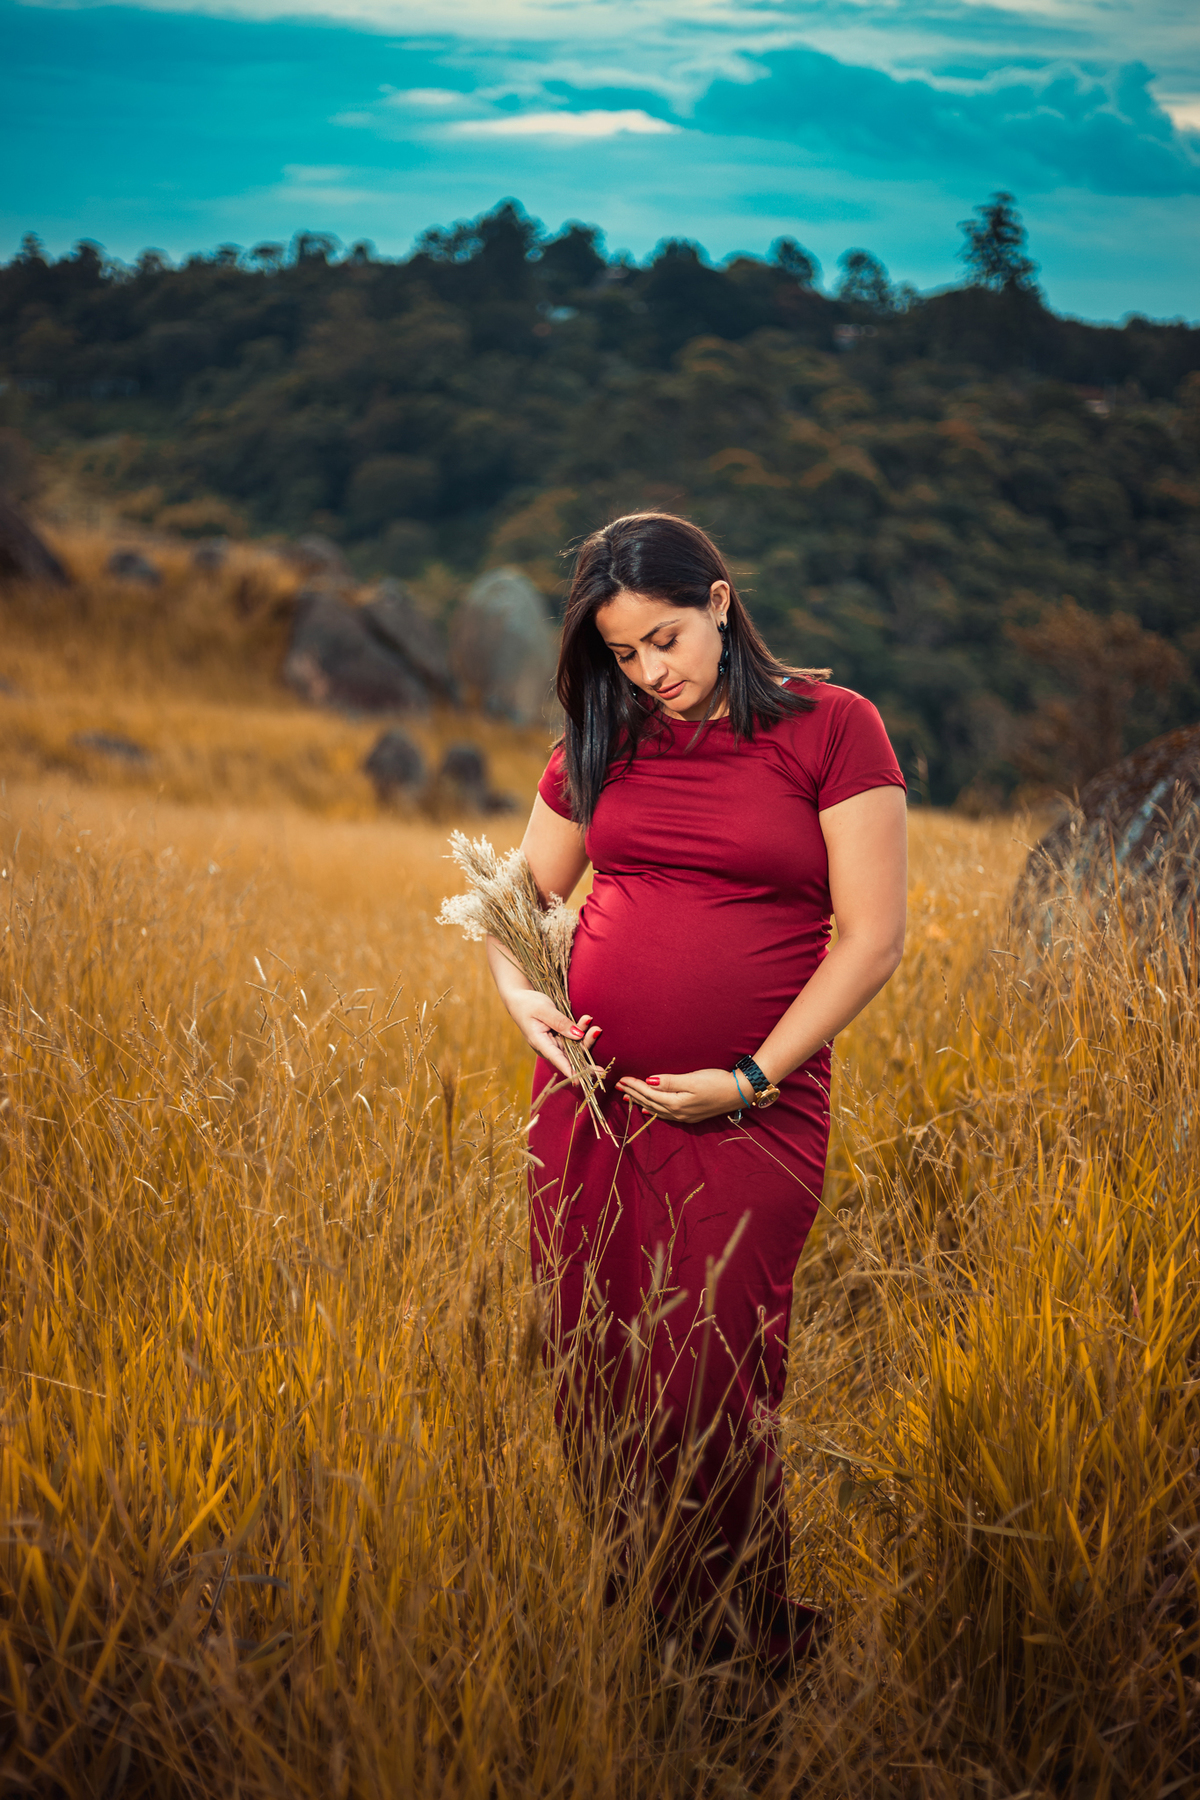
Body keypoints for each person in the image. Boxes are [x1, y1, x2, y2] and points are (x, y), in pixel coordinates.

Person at [485, 513, 907, 1673]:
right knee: (595, 1364)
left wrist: (752, 1076)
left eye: (664, 640)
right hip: (591, 1104)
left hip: (755, 1112)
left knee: (709, 1375)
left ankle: (742, 1646)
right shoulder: (602, 736)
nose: (649, 673)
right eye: (623, 654)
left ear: (719, 602)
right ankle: (645, 1622)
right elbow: (517, 906)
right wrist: (525, 1004)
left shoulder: (835, 728)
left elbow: (872, 940)